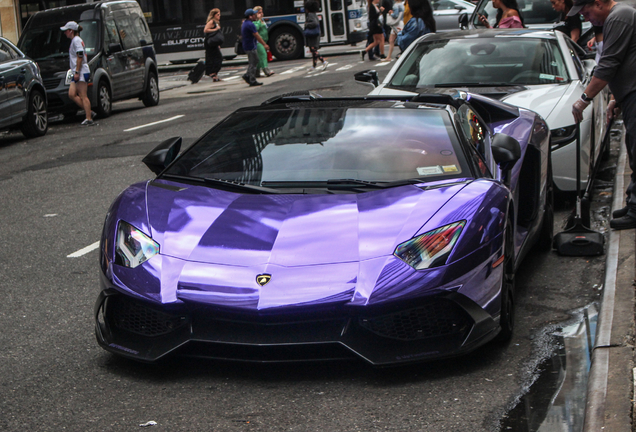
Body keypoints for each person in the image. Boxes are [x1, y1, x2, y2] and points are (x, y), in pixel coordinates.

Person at [570, 0, 636, 229]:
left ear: (598, 3)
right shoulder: (616, 18)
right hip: (629, 95)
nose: (586, 18)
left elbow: (609, 63)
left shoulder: (620, 16)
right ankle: (633, 202)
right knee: (633, 146)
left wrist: (583, 100)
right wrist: (616, 99)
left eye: (586, 12)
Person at [61, 21, 95, 126]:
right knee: (71, 94)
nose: (65, 33)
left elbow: (80, 56)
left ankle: (89, 118)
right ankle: (88, 111)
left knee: (83, 95)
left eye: (66, 31)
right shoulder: (75, 40)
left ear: (71, 31)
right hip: (77, 71)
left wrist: (76, 72)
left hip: (80, 71)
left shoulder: (76, 41)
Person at [241, 9, 269, 86]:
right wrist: (264, 44)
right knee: (254, 61)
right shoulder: (250, 24)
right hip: (251, 46)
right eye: (254, 15)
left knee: (253, 61)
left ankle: (247, 75)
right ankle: (251, 79)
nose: (255, 16)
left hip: (247, 46)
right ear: (250, 16)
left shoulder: (245, 23)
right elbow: (257, 35)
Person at [304, 1, 328, 70]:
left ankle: (323, 61)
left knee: (313, 50)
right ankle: (314, 66)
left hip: (313, 35)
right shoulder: (313, 14)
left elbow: (314, 23)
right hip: (314, 34)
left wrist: (306, 24)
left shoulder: (310, 15)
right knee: (313, 50)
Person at [253, 6, 274, 77]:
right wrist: (258, 20)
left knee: (259, 58)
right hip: (258, 42)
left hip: (263, 41)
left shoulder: (262, 20)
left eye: (262, 12)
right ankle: (266, 71)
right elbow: (256, 29)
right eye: (259, 12)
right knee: (263, 55)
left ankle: (257, 72)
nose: (261, 14)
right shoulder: (256, 21)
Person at [204, 8, 223, 82]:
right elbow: (205, 30)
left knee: (216, 58)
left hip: (214, 43)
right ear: (214, 15)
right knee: (217, 58)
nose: (219, 16)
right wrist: (215, 29)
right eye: (218, 14)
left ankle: (215, 75)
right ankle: (212, 73)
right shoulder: (211, 22)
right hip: (210, 43)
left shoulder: (216, 22)